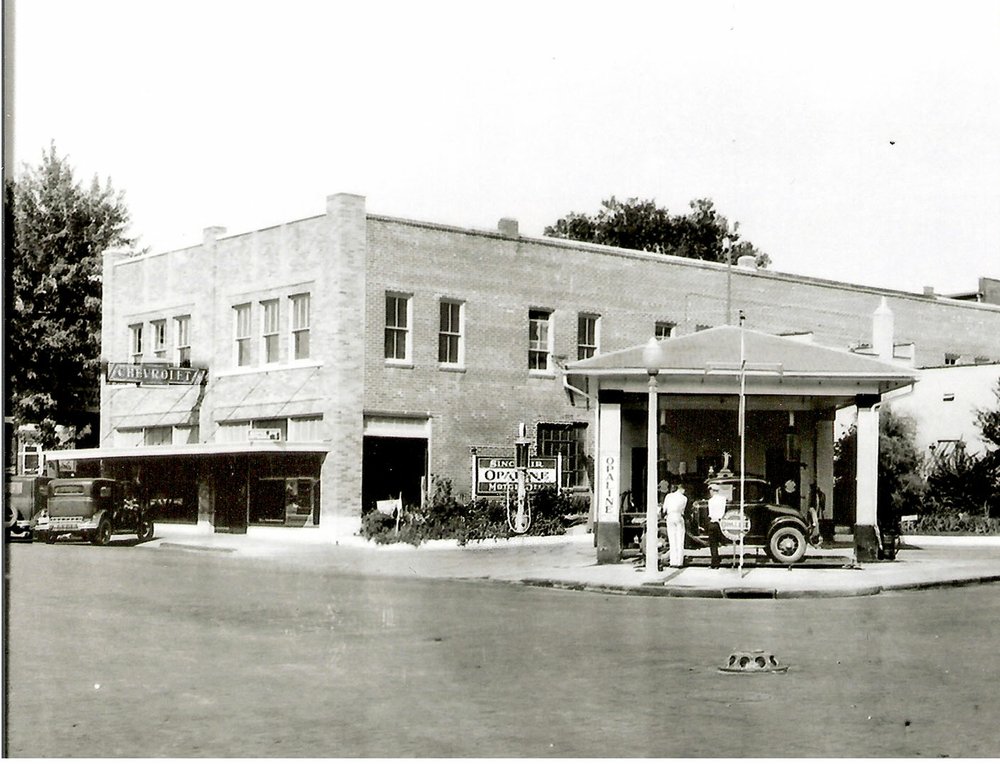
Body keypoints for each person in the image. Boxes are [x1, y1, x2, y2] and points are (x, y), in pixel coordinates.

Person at [662, 483, 688, 567]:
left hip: (670, 516)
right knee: (680, 539)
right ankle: (679, 562)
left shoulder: (668, 496)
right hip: (678, 516)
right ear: (682, 489)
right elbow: (683, 510)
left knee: (672, 539)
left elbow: (664, 509)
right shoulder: (684, 498)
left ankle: (673, 561)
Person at [707, 483, 728, 569]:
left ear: (712, 491)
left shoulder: (710, 501)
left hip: (713, 522)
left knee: (713, 544)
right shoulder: (723, 499)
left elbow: (710, 513)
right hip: (721, 522)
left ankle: (715, 563)